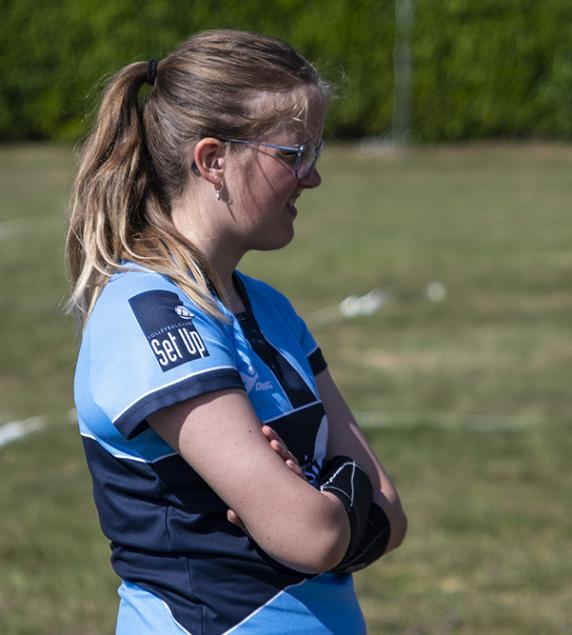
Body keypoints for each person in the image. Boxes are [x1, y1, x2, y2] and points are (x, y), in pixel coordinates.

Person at [66, 29, 407, 634]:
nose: (312, 177)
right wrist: (330, 499)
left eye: (315, 151)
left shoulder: (272, 307)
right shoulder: (148, 311)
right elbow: (310, 534)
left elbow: (390, 515)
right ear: (212, 161)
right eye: (294, 154)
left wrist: (319, 498)